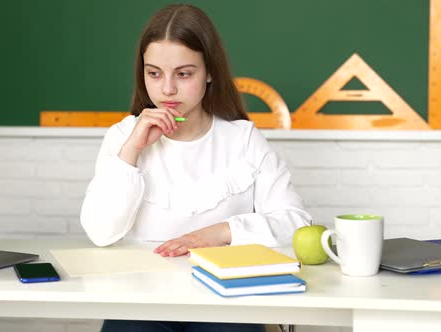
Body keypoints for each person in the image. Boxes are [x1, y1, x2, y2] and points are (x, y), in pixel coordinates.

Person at [80, 4, 311, 332]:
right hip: (141, 299)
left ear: (210, 72)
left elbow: (297, 223)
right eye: (154, 73)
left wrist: (220, 233)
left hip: (225, 299)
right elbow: (100, 233)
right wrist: (131, 151)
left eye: (184, 74)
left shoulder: (242, 138)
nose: (167, 90)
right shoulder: (122, 136)